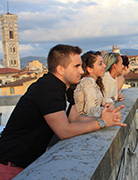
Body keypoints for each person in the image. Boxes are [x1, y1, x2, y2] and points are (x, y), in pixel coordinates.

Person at [0, 44, 126, 180]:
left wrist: (105, 118)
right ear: (60, 69)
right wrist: (101, 123)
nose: (82, 71)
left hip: (25, 164)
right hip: (10, 166)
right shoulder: (47, 89)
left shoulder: (64, 88)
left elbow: (75, 117)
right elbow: (64, 131)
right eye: (76, 66)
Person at [74, 51, 112, 117]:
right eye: (100, 64)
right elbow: (91, 112)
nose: (105, 66)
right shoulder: (88, 81)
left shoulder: (92, 82)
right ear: (90, 69)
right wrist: (107, 110)